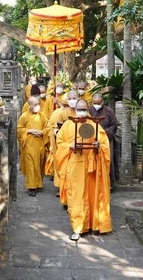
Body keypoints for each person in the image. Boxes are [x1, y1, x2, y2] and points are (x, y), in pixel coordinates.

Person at [55, 99, 112, 241]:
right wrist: (70, 146)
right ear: (75, 110)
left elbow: (104, 145)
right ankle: (78, 228)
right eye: (79, 109)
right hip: (75, 167)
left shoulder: (95, 125)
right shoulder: (68, 125)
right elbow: (60, 143)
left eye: (84, 109)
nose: (81, 112)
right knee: (76, 197)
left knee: (94, 195)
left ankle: (94, 225)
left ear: (88, 110)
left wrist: (99, 146)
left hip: (92, 167)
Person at [45, 90, 78, 203]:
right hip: (64, 146)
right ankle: (62, 190)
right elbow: (51, 127)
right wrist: (55, 131)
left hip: (78, 147)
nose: (72, 101)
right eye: (70, 98)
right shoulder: (59, 113)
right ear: (67, 100)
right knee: (63, 169)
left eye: (75, 98)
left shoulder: (83, 113)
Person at [17, 96, 48, 196]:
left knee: (39, 164)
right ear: (29, 105)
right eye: (35, 104)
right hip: (29, 145)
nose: (37, 106)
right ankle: (31, 187)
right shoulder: (24, 116)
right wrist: (29, 131)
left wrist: (42, 132)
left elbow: (47, 127)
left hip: (40, 144)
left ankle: (38, 183)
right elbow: (19, 129)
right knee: (31, 166)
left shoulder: (42, 115)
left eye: (38, 104)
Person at [90, 92, 119, 188]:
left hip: (106, 140)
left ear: (103, 102)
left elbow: (114, 125)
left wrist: (102, 133)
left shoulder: (109, 111)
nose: (96, 105)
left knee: (108, 160)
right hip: (91, 139)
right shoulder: (89, 110)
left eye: (98, 103)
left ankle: (108, 184)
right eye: (94, 103)